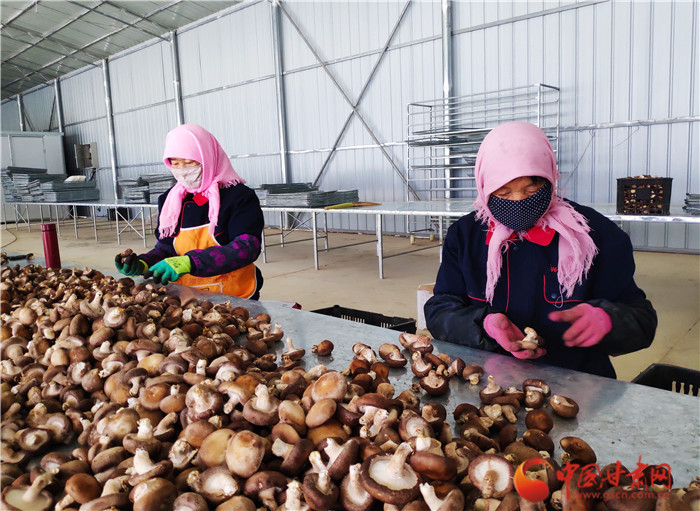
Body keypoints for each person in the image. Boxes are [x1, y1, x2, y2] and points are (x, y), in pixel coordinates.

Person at [424, 121, 657, 378]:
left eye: (531, 188)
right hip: (488, 381)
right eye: (503, 191)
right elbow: (440, 309)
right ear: (484, 186)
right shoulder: (466, 236)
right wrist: (483, 326)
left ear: (549, 177)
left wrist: (610, 321)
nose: (518, 201)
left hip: (578, 383)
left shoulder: (595, 235)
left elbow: (642, 321)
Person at [115, 124, 264, 299]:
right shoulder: (171, 200)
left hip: (234, 295)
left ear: (208, 157)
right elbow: (166, 248)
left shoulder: (238, 196)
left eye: (189, 162)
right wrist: (143, 263)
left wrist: (190, 262)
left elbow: (246, 248)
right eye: (175, 163)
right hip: (187, 296)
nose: (183, 171)